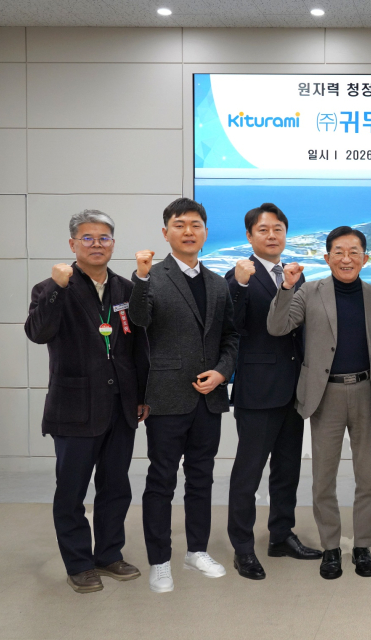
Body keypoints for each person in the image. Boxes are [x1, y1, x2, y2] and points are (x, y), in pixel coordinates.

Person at [25, 210, 149, 593]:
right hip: (74, 408)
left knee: (116, 487)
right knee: (72, 491)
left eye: (104, 238)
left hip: (120, 406)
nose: (97, 245)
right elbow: (38, 332)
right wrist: (57, 288)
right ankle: (79, 564)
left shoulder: (125, 289)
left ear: (113, 243)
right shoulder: (51, 287)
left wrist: (142, 395)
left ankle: (108, 555)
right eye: (88, 238)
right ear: (73, 244)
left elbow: (138, 347)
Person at [129, 197, 239, 593]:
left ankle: (196, 551)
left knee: (201, 478)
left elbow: (231, 337)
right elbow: (138, 321)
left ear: (206, 232)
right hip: (166, 397)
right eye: (180, 225)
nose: (188, 231)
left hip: (209, 398)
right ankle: (160, 560)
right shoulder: (151, 277)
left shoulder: (217, 283)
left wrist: (222, 371)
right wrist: (140, 278)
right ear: (166, 233)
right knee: (161, 480)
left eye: (195, 225)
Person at [267, 226, 371, 580]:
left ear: (365, 258)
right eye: (339, 252)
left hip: (366, 392)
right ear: (327, 257)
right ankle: (331, 547)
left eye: (354, 252)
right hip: (325, 394)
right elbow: (277, 327)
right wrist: (286, 287)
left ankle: (362, 546)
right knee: (323, 478)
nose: (346, 259)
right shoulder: (308, 291)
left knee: (368, 478)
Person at [225, 203, 321, 581]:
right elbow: (229, 325)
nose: (271, 235)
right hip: (258, 390)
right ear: (249, 236)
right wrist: (239, 284)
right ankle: (243, 547)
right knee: (248, 473)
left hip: (293, 390)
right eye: (263, 230)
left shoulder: (295, 274)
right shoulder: (239, 275)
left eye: (278, 229)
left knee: (287, 470)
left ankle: (281, 535)